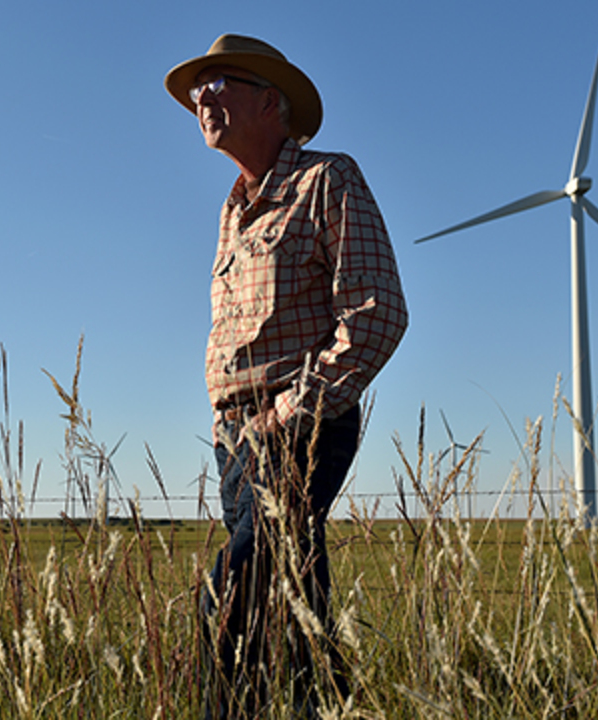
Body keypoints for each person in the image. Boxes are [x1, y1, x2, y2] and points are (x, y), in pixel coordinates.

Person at [165, 34, 409, 718]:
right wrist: (230, 428)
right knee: (293, 611)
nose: (202, 100)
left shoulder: (326, 180)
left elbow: (376, 311)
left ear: (271, 102)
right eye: (196, 91)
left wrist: (295, 412)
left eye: (219, 84)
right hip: (236, 440)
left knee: (230, 593)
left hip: (298, 427)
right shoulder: (232, 211)